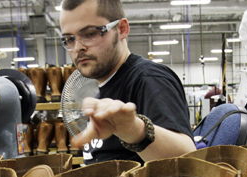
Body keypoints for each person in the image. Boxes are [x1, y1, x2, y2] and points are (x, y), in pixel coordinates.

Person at [60, 0, 195, 163]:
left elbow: (188, 160)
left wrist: (134, 131)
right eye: (69, 39)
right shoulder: (99, 99)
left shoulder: (149, 79)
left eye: (90, 34)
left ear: (122, 29)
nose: (77, 48)